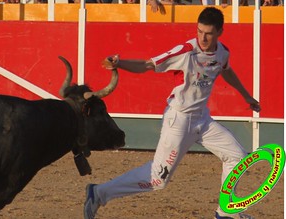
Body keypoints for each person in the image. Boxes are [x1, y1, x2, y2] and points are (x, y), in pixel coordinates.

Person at [83, 7, 260, 219]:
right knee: (158, 179)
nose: (202, 37)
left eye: (208, 33)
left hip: (202, 119)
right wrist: (120, 63)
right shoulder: (186, 51)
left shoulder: (222, 52)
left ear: (219, 32)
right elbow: (148, 64)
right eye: (199, 31)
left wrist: (246, 95)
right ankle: (99, 193)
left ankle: (226, 211)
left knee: (237, 156)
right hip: (179, 119)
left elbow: (226, 70)